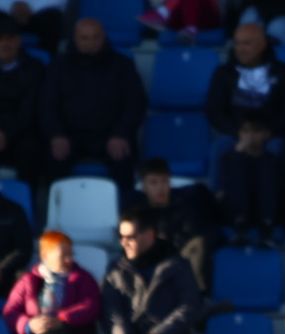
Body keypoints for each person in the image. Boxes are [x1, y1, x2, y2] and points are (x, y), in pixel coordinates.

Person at [39, 18, 146, 190]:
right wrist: (56, 135)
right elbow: (46, 104)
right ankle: (56, 214)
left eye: (96, 37)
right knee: (52, 161)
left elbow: (135, 103)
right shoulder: (58, 66)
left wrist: (121, 133)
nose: (91, 43)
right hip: (69, 136)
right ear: (75, 38)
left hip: (111, 135)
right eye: (85, 38)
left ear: (104, 37)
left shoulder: (122, 65)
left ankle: (125, 214)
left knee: (123, 161)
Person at [3, 231, 99, 334]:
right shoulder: (28, 280)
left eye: (71, 254)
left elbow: (91, 305)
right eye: (63, 255)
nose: (69, 259)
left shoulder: (82, 278)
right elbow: (11, 311)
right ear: (45, 256)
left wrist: (62, 319)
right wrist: (29, 325)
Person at [128, 158, 219, 293]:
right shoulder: (137, 213)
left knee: (197, 246)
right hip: (155, 268)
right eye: (154, 183)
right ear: (144, 186)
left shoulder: (185, 206)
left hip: (183, 260)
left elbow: (196, 236)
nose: (161, 188)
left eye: (164, 181)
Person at [205, 20, 285, 145]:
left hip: (272, 136)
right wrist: (238, 132)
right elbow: (215, 110)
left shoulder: (282, 72)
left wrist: (268, 132)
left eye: (246, 43)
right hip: (234, 136)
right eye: (237, 43)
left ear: (262, 44)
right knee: (221, 149)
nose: (240, 49)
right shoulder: (224, 73)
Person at [218, 118, 283, 245]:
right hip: (235, 212)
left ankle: (267, 228)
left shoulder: (273, 160)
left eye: (256, 131)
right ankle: (240, 226)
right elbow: (222, 189)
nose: (250, 136)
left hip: (265, 210)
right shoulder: (228, 158)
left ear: (266, 134)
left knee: (267, 168)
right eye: (246, 131)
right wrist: (237, 156)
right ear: (239, 134)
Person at [0, 14, 47, 184]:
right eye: (0, 39)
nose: (5, 44)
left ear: (18, 41)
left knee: (30, 149)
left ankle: (27, 205)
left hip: (20, 133)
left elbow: (29, 109)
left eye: (10, 38)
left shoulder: (34, 68)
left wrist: (6, 133)